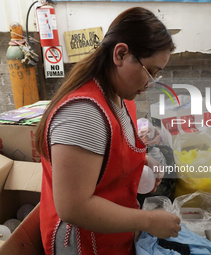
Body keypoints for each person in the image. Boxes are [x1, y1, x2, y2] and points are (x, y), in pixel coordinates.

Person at [35, 7, 181, 255]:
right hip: (84, 242)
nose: (150, 83)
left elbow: (109, 153)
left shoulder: (122, 98)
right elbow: (74, 208)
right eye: (150, 71)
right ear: (121, 54)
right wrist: (148, 221)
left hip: (111, 231)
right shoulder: (83, 114)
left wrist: (146, 159)